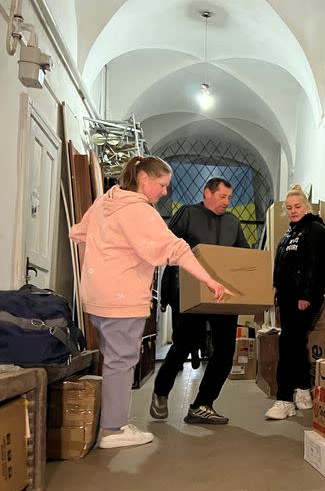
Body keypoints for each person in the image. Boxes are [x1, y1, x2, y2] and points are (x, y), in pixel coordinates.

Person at [70, 156, 229, 449]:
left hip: (97, 297)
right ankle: (113, 429)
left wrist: (102, 263)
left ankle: (113, 422)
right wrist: (210, 280)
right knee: (121, 362)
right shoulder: (138, 210)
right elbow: (175, 248)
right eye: (162, 184)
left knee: (114, 360)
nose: (165, 192)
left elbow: (78, 233)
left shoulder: (106, 202)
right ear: (144, 180)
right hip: (122, 298)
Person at [151, 177, 249, 425]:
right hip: (192, 291)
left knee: (225, 351)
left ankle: (203, 404)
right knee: (184, 344)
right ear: (207, 192)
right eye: (222, 196)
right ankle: (161, 391)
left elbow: (245, 256)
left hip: (222, 295)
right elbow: (169, 246)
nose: (226, 202)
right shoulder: (188, 214)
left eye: (229, 197)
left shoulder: (232, 223)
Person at [265, 184, 325, 420]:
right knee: (295, 343)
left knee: (288, 344)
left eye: (297, 206)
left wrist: (306, 295)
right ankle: (303, 390)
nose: (293, 210)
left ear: (307, 206)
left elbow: (317, 266)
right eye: (289, 208)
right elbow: (280, 267)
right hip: (286, 298)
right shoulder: (288, 235)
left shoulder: (315, 231)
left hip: (303, 299)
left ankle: (284, 399)